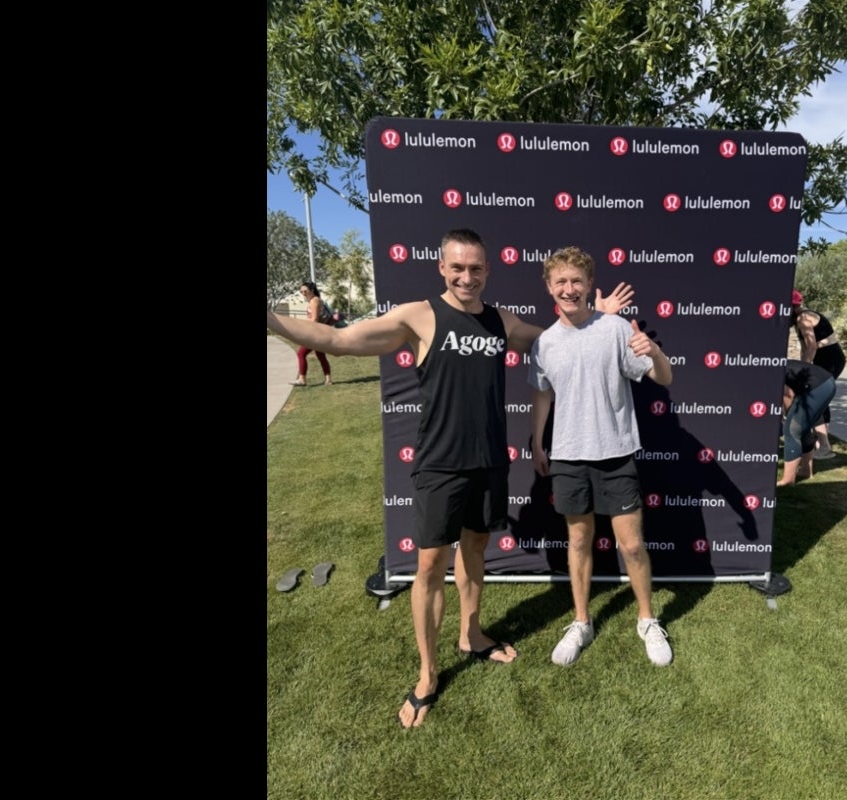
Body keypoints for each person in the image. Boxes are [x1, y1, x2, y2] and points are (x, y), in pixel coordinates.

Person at [266, 229, 633, 728]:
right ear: (442, 268)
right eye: (457, 267)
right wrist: (271, 320)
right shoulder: (419, 316)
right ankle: (428, 672)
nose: (466, 276)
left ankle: (472, 634)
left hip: (488, 464)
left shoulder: (498, 320)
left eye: (475, 268)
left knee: (476, 552)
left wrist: (599, 315)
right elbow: (337, 339)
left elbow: (554, 337)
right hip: (440, 465)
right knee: (431, 568)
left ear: (487, 271)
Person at [529, 246, 675, 668]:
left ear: (589, 286)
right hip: (568, 458)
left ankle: (647, 620)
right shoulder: (544, 343)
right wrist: (538, 442)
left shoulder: (613, 328)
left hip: (616, 455)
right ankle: (581, 621)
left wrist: (655, 352)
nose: (569, 289)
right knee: (578, 540)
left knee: (631, 545)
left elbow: (662, 378)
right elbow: (541, 393)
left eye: (577, 281)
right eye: (561, 282)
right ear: (549, 287)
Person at [790, 289, 846, 458]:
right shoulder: (803, 317)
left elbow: (812, 346)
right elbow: (805, 347)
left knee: (815, 397)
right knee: (818, 398)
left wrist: (805, 371)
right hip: (829, 360)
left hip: (830, 360)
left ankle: (824, 447)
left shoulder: (803, 318)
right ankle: (821, 442)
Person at [777, 358, 837, 486]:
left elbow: (788, 395)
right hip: (824, 382)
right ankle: (805, 471)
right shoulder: (773, 365)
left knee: (792, 430)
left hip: (818, 386)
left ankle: (788, 480)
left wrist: (786, 417)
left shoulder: (770, 371)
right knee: (802, 428)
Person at [291, 281, 334, 386]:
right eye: (301, 292)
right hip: (319, 332)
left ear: (312, 290)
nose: (303, 293)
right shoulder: (315, 300)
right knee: (320, 355)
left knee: (301, 353)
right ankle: (328, 379)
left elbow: (314, 319)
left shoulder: (314, 301)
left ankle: (302, 379)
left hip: (316, 333)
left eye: (305, 291)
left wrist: (301, 323)